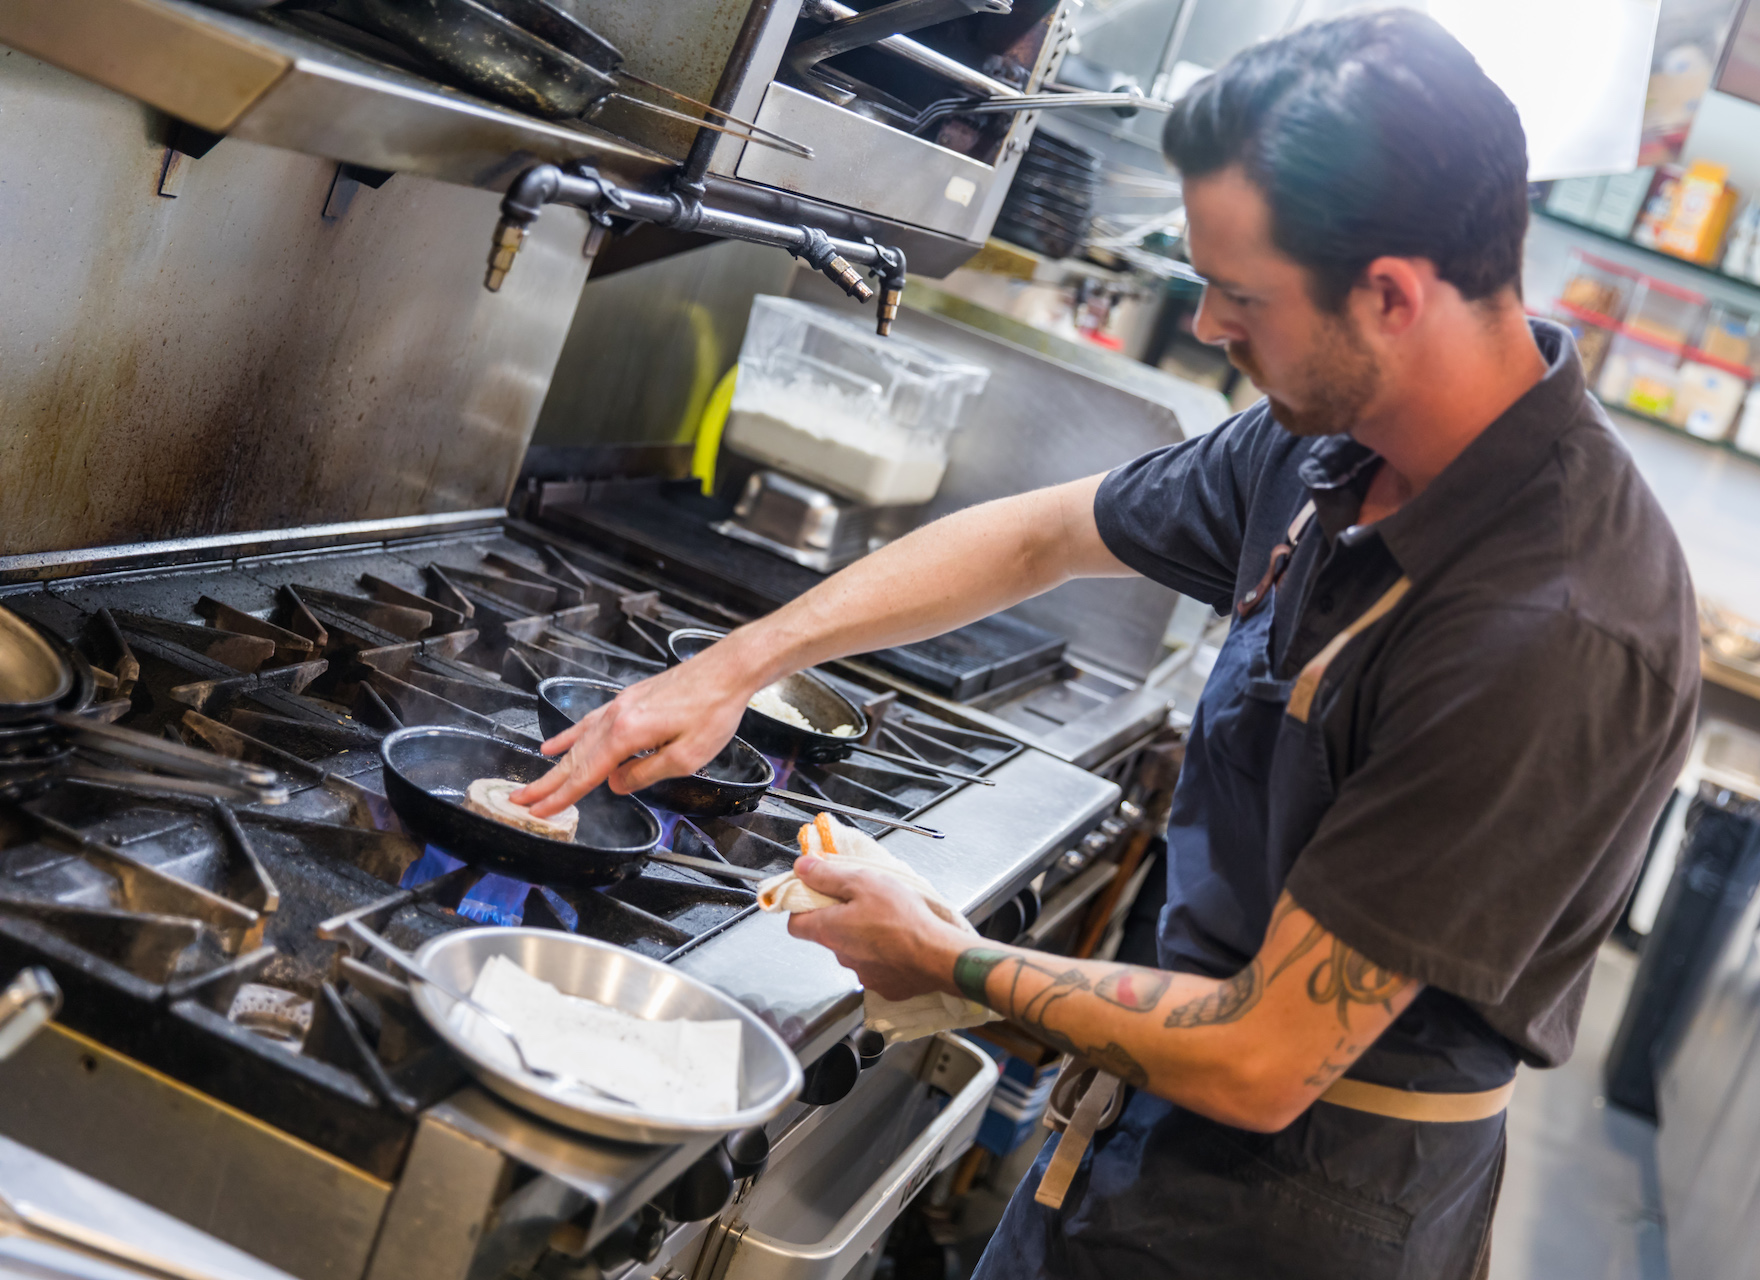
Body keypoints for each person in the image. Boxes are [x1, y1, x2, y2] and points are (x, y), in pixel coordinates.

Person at [514, 11, 1699, 1277]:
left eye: (1240, 296)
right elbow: (1039, 539)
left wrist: (953, 958)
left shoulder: (1555, 629)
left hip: (1304, 1216)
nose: (1206, 328)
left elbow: (1263, 1057)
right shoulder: (1329, 446)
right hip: (1142, 1132)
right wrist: (732, 667)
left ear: (1393, 295)